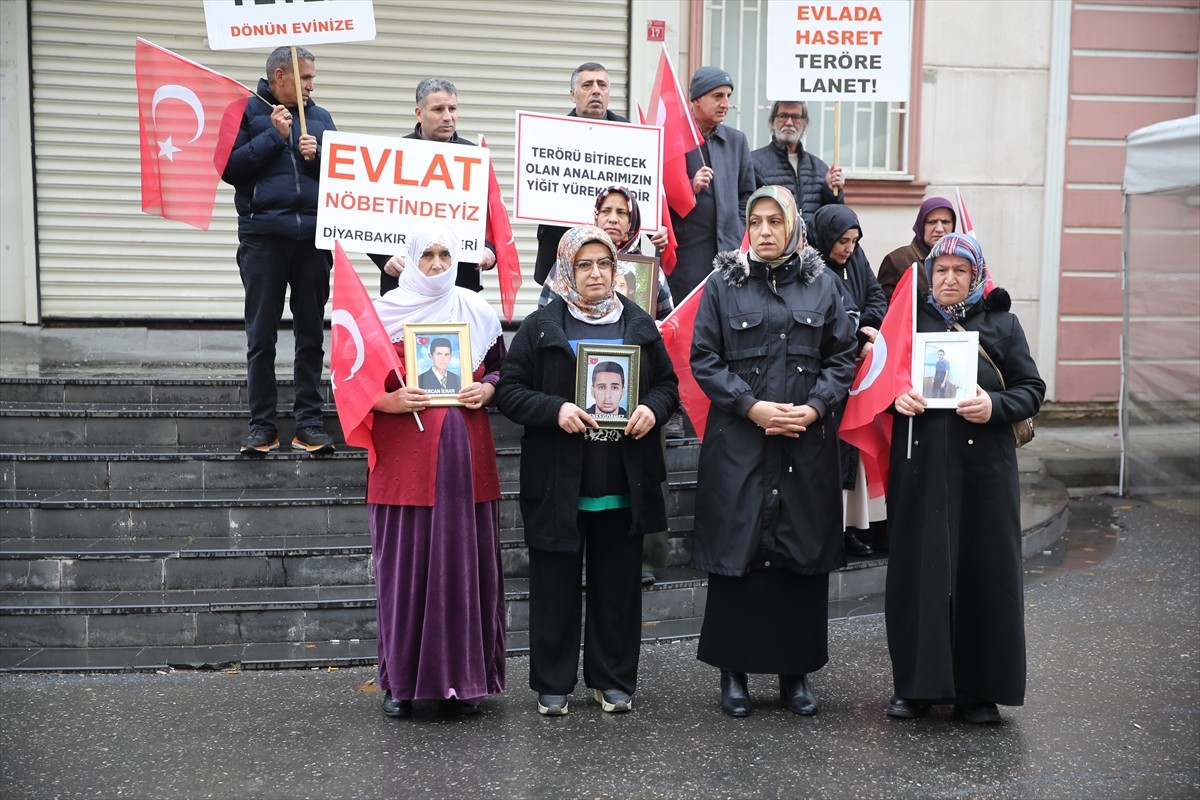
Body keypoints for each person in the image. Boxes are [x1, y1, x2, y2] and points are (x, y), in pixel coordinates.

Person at [689, 186, 857, 718]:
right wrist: (751, 407)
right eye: (755, 221)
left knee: (798, 554)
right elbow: (705, 358)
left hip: (804, 443)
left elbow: (843, 357)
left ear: (791, 227)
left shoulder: (824, 285)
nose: (764, 231)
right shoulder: (722, 285)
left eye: (774, 222)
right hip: (741, 441)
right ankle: (733, 673)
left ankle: (795, 673)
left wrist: (815, 408)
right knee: (739, 551)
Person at [497, 225, 679, 716]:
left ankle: (613, 679)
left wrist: (651, 410)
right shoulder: (541, 326)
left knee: (617, 588)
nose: (596, 273)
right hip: (560, 483)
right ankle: (553, 683)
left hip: (622, 483)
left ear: (616, 269)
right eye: (585, 264)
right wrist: (554, 408)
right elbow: (510, 391)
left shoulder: (638, 323)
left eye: (604, 263)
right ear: (566, 270)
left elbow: (667, 386)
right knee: (554, 588)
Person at [884, 233, 1045, 725]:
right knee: (920, 575)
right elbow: (877, 379)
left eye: (959, 271)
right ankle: (915, 688)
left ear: (975, 276)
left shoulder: (1003, 324)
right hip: (923, 467)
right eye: (941, 271)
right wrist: (898, 397)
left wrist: (994, 405)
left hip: (984, 475)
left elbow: (1032, 389)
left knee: (983, 574)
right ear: (928, 274)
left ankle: (979, 691)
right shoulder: (909, 321)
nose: (949, 279)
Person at [368, 221, 508, 719]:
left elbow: (501, 372)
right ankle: (401, 684)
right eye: (426, 255)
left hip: (466, 463)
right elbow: (349, 387)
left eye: (445, 255)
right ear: (409, 258)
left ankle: (466, 681)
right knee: (405, 571)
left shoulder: (475, 309)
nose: (435, 265)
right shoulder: (380, 314)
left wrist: (488, 389)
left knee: (464, 569)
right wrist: (388, 400)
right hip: (404, 466)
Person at [222, 46, 336, 457]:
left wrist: (316, 157)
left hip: (312, 243)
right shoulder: (244, 111)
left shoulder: (321, 118)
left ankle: (309, 423)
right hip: (263, 240)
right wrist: (274, 136)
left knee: (310, 335)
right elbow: (229, 169)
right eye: (305, 78)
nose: (311, 86)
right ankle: (262, 427)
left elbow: (343, 179)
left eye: (312, 79)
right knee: (261, 336)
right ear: (279, 77)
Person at [532, 64, 668, 288]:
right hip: (561, 251)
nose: (596, 90)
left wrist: (655, 227)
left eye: (602, 85)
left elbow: (642, 189)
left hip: (617, 260)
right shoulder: (552, 133)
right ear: (573, 95)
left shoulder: (633, 134)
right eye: (587, 85)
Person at [809, 204, 888, 557]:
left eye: (854, 241)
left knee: (853, 454)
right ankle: (831, 530)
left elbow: (875, 295)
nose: (848, 249)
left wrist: (866, 326)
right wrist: (853, 336)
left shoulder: (856, 260)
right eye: (843, 241)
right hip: (828, 372)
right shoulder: (811, 266)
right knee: (832, 454)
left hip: (858, 371)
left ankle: (852, 528)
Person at [368, 78, 495, 295]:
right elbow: (366, 216)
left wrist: (489, 250)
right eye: (438, 109)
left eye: (452, 109)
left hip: (459, 283)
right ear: (419, 113)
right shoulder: (394, 153)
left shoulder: (474, 155)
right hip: (404, 283)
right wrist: (384, 258)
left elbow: (490, 216)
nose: (448, 117)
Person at [666, 66, 756, 305]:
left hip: (730, 254)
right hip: (685, 256)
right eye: (718, 96)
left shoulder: (737, 141)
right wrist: (690, 188)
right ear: (696, 100)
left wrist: (737, 228)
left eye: (728, 96)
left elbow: (747, 194)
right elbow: (659, 197)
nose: (725, 103)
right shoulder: (671, 137)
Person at [751, 101, 844, 231]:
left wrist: (833, 191)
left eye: (796, 117)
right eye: (783, 116)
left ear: (804, 124)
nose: (789, 122)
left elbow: (832, 217)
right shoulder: (753, 163)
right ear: (772, 121)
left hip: (811, 249)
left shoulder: (819, 168)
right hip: (773, 247)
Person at [876, 197, 956, 303]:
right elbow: (887, 309)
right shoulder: (897, 260)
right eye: (932, 222)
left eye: (945, 222)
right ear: (921, 225)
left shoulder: (961, 260)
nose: (939, 229)